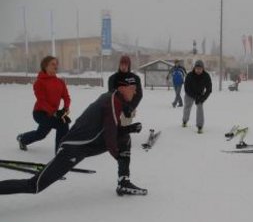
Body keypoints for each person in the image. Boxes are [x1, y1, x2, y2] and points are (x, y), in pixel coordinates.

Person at [0, 76, 147, 196]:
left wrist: (129, 128)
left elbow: (111, 130)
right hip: (73, 148)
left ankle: (123, 182)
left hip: (87, 145)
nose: (134, 93)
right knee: (35, 185)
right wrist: (118, 155)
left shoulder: (114, 98)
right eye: (132, 89)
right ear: (122, 88)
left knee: (124, 138)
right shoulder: (112, 101)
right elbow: (109, 136)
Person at [17, 56, 71, 153]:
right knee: (62, 124)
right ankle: (61, 153)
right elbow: (42, 101)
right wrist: (55, 113)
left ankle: (22, 139)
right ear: (45, 66)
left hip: (53, 113)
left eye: (56, 64)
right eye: (52, 64)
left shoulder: (60, 82)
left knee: (41, 134)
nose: (56, 66)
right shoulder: (39, 82)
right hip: (40, 113)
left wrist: (65, 109)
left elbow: (66, 97)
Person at [108, 55, 143, 187]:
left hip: (130, 109)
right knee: (119, 128)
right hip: (116, 108)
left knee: (124, 129)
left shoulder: (135, 78)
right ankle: (120, 144)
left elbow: (139, 94)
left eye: (126, 64)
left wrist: (131, 107)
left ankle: (123, 144)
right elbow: (111, 94)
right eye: (121, 64)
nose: (123, 66)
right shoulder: (113, 78)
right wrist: (123, 106)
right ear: (119, 64)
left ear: (129, 65)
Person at [182, 60, 212, 134]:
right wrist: (195, 96)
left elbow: (209, 89)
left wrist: (203, 98)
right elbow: (186, 88)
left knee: (200, 108)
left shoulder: (206, 76)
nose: (198, 70)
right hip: (189, 94)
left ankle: (200, 126)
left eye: (200, 68)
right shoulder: (189, 75)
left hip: (200, 95)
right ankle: (185, 121)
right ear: (194, 68)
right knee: (187, 107)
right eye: (197, 68)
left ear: (203, 69)